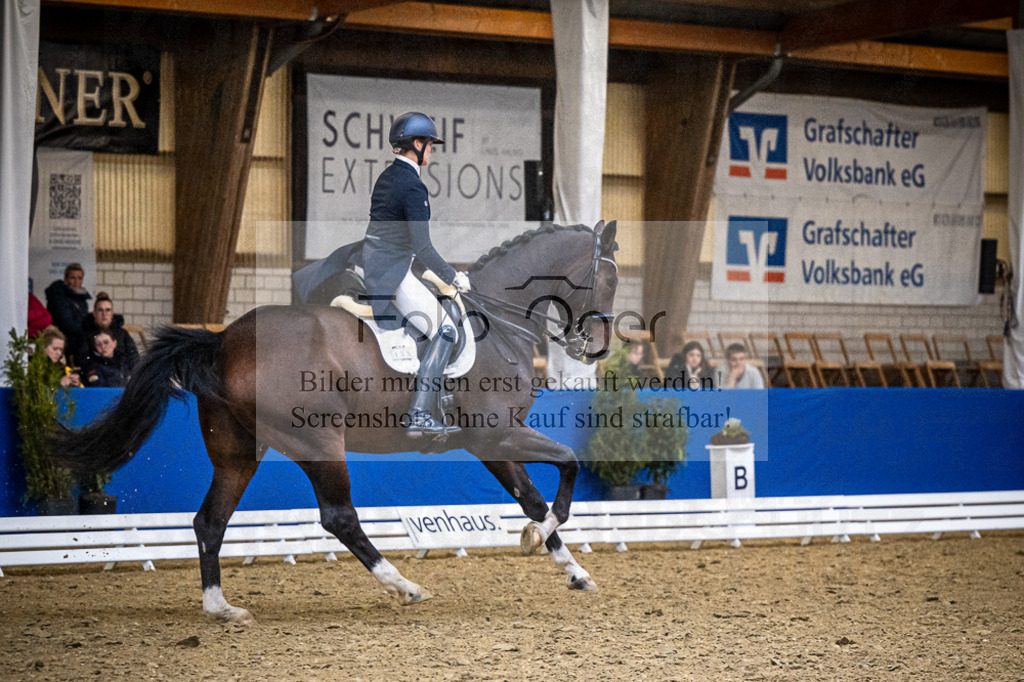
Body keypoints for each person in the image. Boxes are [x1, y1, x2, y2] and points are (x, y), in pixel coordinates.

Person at [362, 112, 471, 438]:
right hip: (392, 271)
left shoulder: (387, 176)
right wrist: (453, 276)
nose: (433, 152)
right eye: (430, 145)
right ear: (417, 144)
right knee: (447, 329)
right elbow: (422, 247)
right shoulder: (412, 185)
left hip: (378, 261)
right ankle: (420, 413)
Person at [76, 292, 140, 371]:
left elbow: (134, 358)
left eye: (108, 310)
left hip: (121, 375)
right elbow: (82, 360)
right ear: (94, 313)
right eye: (100, 310)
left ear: (112, 313)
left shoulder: (122, 334)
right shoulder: (85, 335)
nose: (104, 314)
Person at [44, 262, 91, 361]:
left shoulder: (82, 300)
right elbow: (68, 325)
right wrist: (88, 328)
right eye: (72, 278)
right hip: (62, 345)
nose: (76, 282)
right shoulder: (58, 297)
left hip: (77, 344)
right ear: (65, 280)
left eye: (79, 278)